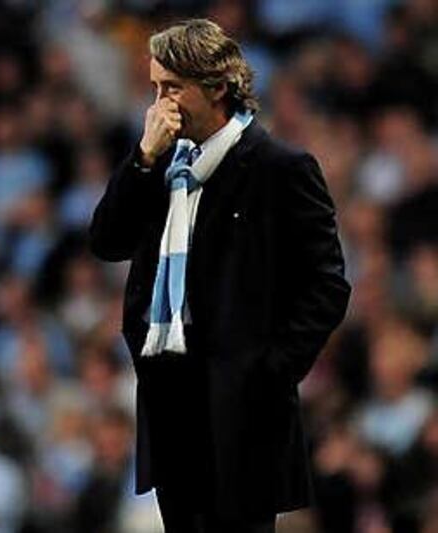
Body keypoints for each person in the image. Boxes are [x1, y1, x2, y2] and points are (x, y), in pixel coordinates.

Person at [89, 19, 351, 533]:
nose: (160, 105)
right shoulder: (161, 165)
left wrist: (269, 370)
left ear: (218, 87)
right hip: (169, 395)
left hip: (243, 407)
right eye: (154, 88)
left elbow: (327, 284)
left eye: (172, 88)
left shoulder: (279, 167)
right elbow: (107, 242)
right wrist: (142, 159)